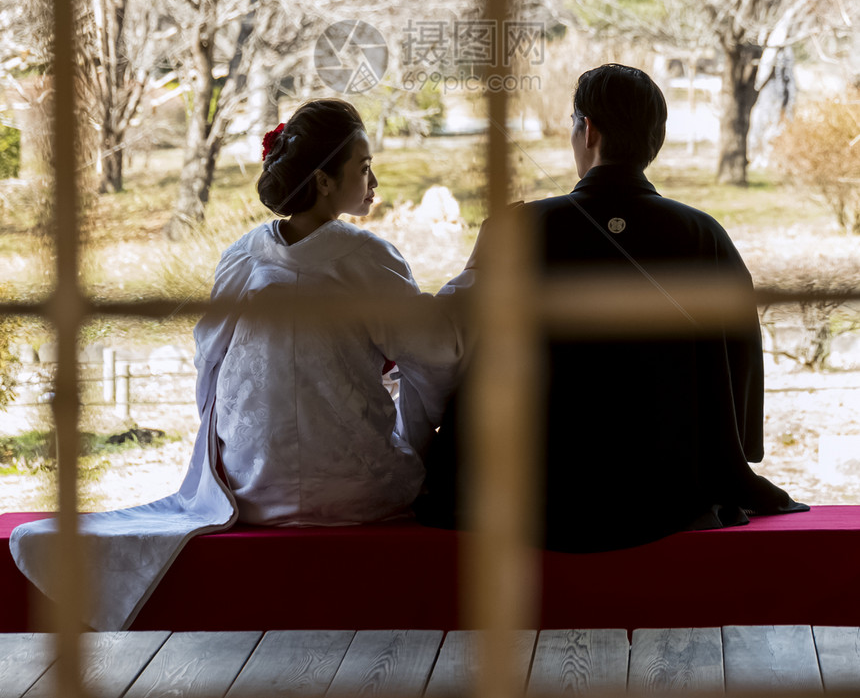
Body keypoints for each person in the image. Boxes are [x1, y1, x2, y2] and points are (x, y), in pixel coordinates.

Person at [12, 98, 464, 629]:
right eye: (363, 167)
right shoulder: (367, 256)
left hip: (252, 489)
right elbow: (435, 359)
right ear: (322, 181)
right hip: (360, 493)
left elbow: (210, 370)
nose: (374, 180)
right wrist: (414, 445)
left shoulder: (243, 255)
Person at [417, 63, 807, 551]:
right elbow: (738, 361)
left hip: (535, 487)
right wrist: (734, 452)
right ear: (654, 140)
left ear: (590, 130)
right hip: (669, 486)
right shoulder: (703, 234)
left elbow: (470, 354)